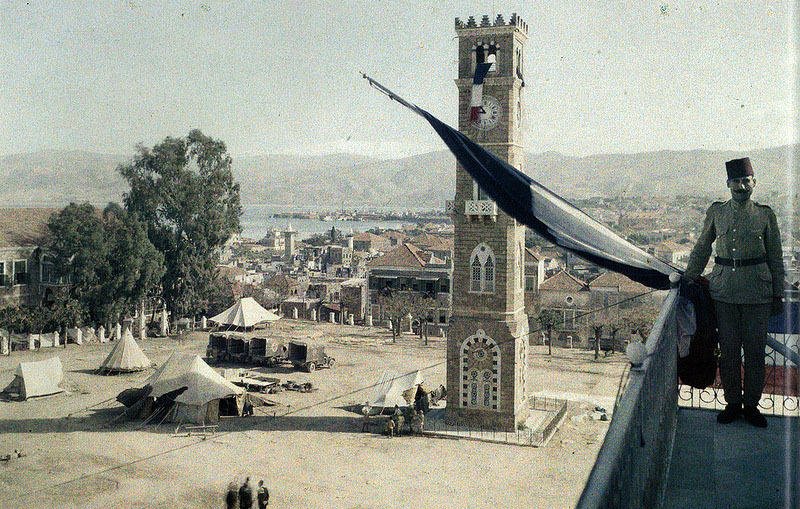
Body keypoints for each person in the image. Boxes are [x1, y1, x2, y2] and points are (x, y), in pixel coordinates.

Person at [684, 157, 784, 428]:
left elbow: (775, 257)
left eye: (746, 181)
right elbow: (703, 247)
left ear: (754, 183)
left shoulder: (765, 214)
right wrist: (688, 277)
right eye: (736, 181)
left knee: (754, 353)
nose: (741, 186)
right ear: (728, 184)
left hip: (757, 293)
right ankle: (732, 404)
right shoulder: (717, 212)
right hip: (724, 293)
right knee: (728, 351)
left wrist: (777, 294)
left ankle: (751, 406)